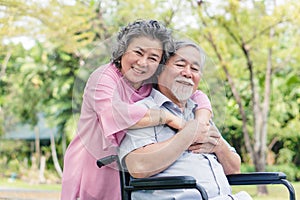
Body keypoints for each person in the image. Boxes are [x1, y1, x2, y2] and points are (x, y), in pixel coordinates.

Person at [61, 20, 213, 200]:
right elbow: (114, 114)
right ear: (123, 49)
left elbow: (197, 94)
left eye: (153, 58)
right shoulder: (104, 77)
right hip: (91, 164)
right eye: (138, 52)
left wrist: (201, 124)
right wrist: (168, 118)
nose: (143, 62)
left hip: (126, 168)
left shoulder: (150, 80)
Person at [118, 40, 253, 200]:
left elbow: (234, 169)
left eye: (194, 69)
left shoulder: (200, 113)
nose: (188, 73)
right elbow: (138, 166)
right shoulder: (145, 111)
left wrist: (219, 146)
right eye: (180, 65)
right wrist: (187, 136)